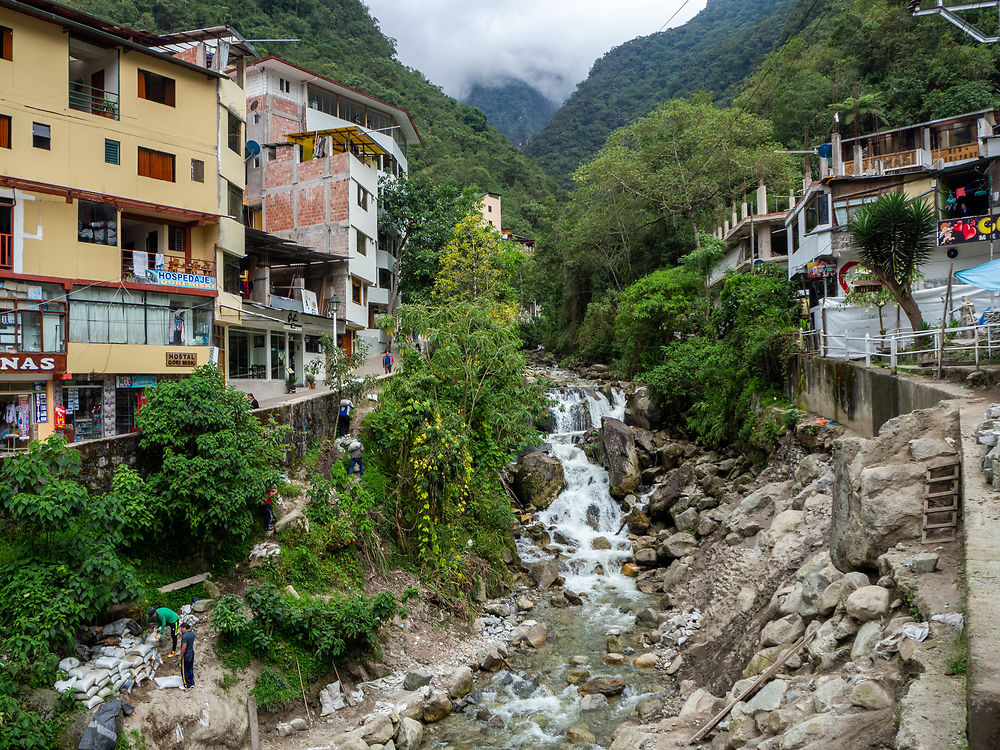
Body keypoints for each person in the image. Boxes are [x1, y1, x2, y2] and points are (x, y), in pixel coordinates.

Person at [178, 622, 195, 689]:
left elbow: (184, 647)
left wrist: (180, 656)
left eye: (181, 628)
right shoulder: (192, 633)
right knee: (190, 668)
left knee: (184, 669)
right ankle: (192, 682)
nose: (181, 630)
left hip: (186, 655)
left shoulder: (185, 636)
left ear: (184, 628)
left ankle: (186, 685)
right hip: (191, 653)